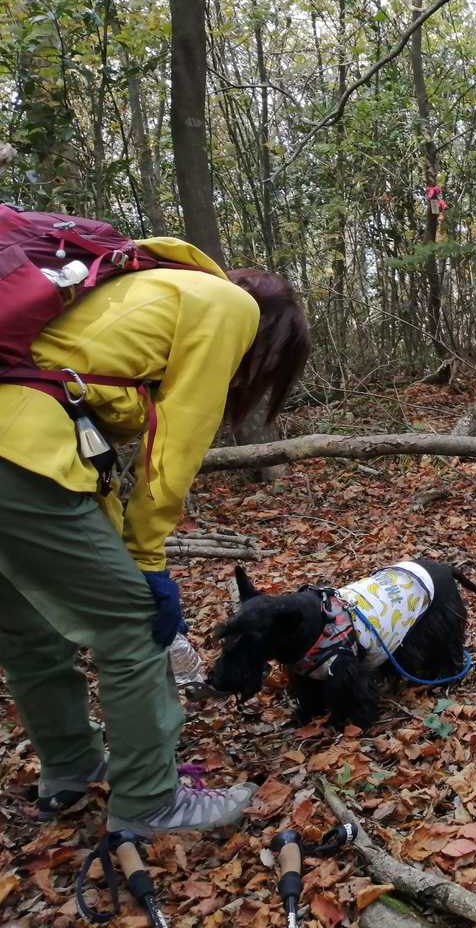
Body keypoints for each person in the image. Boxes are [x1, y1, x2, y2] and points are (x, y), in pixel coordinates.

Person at [0, 237, 310, 835]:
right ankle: (149, 801)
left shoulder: (142, 285)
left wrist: (121, 543)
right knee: (132, 624)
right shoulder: (226, 307)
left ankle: (70, 767)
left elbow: (81, 440)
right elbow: (174, 445)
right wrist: (146, 564)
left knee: (30, 630)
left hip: (22, 452)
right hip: (21, 458)